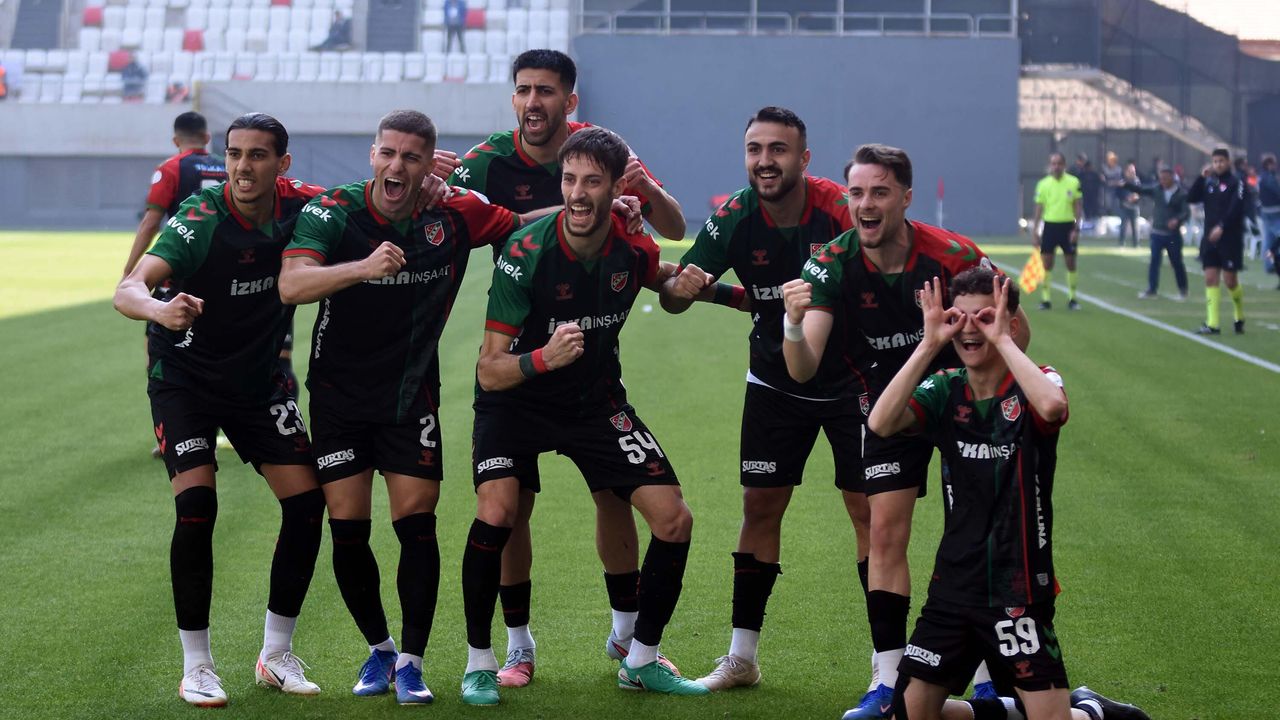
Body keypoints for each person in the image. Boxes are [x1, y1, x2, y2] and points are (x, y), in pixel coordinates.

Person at [447, 48, 686, 688]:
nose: (533, 102)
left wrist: (642, 195)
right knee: (507, 508)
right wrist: (431, 182)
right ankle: (515, 647)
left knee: (617, 495)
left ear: (569, 100)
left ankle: (628, 638)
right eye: (523, 90)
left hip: (589, 377)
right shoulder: (488, 161)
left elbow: (668, 237)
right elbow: (442, 214)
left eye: (546, 91)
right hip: (520, 362)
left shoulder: (602, 150)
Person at [277, 109, 527, 705]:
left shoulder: (453, 212)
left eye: (411, 157)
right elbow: (292, 284)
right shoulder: (335, 211)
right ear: (373, 155)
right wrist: (364, 268)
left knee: (416, 526)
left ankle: (412, 663)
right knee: (347, 530)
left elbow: (522, 224)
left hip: (410, 394)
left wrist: (595, 208)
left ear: (428, 165)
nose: (397, 165)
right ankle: (380, 649)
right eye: (388, 153)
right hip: (338, 396)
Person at [781, 144, 1029, 720]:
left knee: (977, 533)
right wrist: (792, 324)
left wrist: (981, 358)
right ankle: (888, 679)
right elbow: (803, 367)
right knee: (884, 532)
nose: (865, 204)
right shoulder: (831, 263)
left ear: (906, 198)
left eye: (880, 192)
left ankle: (987, 678)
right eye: (856, 192)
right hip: (890, 406)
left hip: (964, 400)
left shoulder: (953, 255)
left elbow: (1016, 331)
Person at [112, 113, 328, 707]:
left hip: (259, 383)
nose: (242, 167)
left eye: (257, 155)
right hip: (186, 380)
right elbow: (128, 289)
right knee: (197, 507)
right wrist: (160, 311)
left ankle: (275, 655)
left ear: (282, 164)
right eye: (234, 154)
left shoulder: (303, 205)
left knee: (307, 506)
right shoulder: (201, 220)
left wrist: (433, 181)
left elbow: (364, 204)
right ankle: (197, 666)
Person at [657, 106, 870, 692]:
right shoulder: (734, 216)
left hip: (854, 382)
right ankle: (742, 658)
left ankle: (889, 667)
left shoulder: (839, 210)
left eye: (778, 149)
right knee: (760, 507)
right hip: (775, 382)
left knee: (868, 512)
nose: (765, 161)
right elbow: (676, 298)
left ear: (804, 158)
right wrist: (681, 288)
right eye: (755, 149)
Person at [1187, 148, 1245, 334]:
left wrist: (1222, 226)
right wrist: (1200, 178)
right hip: (1210, 238)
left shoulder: (1236, 182)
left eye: (1221, 161)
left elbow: (1236, 208)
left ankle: (1239, 315)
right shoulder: (1209, 182)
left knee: (1230, 281)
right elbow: (1191, 198)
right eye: (1215, 161)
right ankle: (1212, 324)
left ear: (1228, 162)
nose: (1218, 164)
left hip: (1230, 238)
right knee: (1210, 278)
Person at [1127, 164, 1189, 299]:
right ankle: (1152, 289)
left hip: (1173, 235)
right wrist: (1126, 185)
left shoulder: (1181, 194)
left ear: (1172, 178)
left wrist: (1177, 220)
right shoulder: (1157, 190)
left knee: (1176, 262)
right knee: (1154, 261)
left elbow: (1186, 212)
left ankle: (1183, 289)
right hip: (1157, 233)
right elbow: (1141, 190)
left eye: (1165, 178)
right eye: (1161, 178)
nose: (1163, 181)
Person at [1030, 152, 1082, 310]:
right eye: (1053, 163)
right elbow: (1039, 208)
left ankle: (1072, 298)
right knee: (1046, 264)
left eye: (1059, 163)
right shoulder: (1043, 184)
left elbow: (1077, 207)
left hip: (1068, 227)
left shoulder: (1073, 182)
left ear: (1064, 165)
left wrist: (1076, 229)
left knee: (1071, 263)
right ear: (1050, 165)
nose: (1056, 166)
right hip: (1050, 226)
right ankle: (1046, 299)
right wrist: (1035, 230)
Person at [1258, 153, 1280, 282]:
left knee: (1268, 239)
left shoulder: (1261, 177)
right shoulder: (1269, 178)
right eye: (1273, 163)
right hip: (1275, 212)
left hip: (1265, 212)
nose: (1275, 166)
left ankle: (1268, 265)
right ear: (1269, 164)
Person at [1067, 154, 1101, 225]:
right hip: (1075, 191)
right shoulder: (1074, 169)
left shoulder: (1089, 173)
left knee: (1087, 207)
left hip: (1087, 193)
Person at [1115, 162, 1140, 248]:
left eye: (1133, 171)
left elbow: (1141, 192)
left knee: (1135, 226)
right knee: (1123, 226)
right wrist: (1126, 198)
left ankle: (1136, 244)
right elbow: (1117, 193)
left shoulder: (1137, 181)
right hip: (1124, 206)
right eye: (1130, 171)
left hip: (1134, 207)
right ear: (1126, 172)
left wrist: (1136, 197)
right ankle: (1121, 243)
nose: (1132, 173)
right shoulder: (1122, 182)